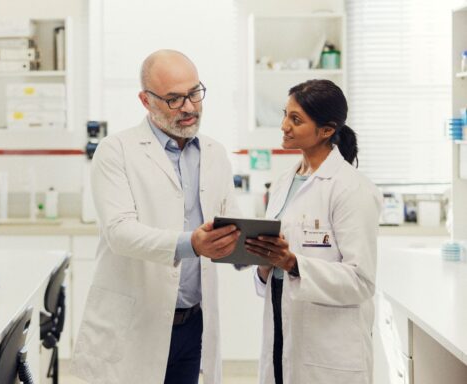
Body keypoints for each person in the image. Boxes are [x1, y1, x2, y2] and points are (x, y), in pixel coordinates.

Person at [71, 49, 241, 384]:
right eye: (174, 99)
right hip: (136, 325)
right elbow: (120, 232)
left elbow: (231, 225)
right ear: (145, 100)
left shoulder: (215, 153)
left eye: (194, 93)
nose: (189, 107)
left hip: (193, 324)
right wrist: (190, 243)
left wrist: (257, 252)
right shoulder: (115, 150)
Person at [244, 79, 382, 384]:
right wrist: (265, 262)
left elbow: (361, 281)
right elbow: (275, 266)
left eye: (296, 120)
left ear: (327, 130)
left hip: (329, 349)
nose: (284, 126)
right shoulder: (283, 183)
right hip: (283, 327)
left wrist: (293, 263)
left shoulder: (351, 188)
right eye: (285, 114)